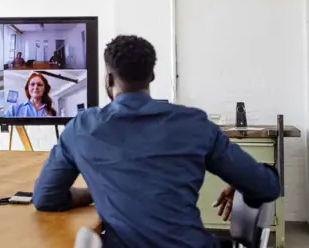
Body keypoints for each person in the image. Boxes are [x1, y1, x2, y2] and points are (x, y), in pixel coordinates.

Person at [31, 35, 281, 248]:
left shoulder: (82, 128)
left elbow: (45, 198)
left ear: (108, 79)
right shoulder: (194, 123)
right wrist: (243, 180)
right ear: (151, 75)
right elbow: (268, 188)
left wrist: (95, 192)